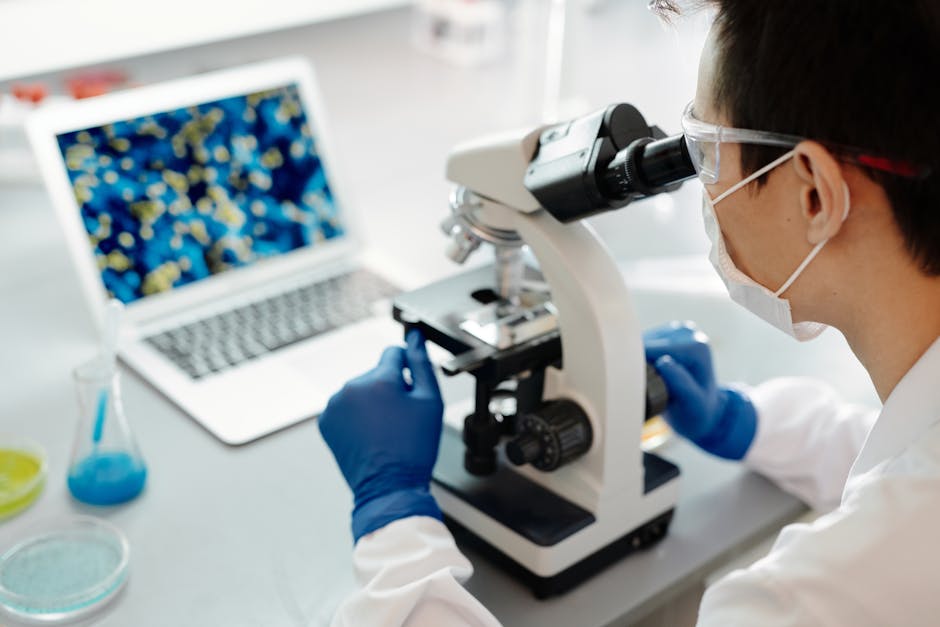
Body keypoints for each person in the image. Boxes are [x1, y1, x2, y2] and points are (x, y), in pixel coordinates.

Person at [317, 0, 940, 624]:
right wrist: (746, 423)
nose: (703, 184)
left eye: (705, 152)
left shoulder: (791, 607)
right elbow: (901, 474)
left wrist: (391, 519)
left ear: (813, 194)